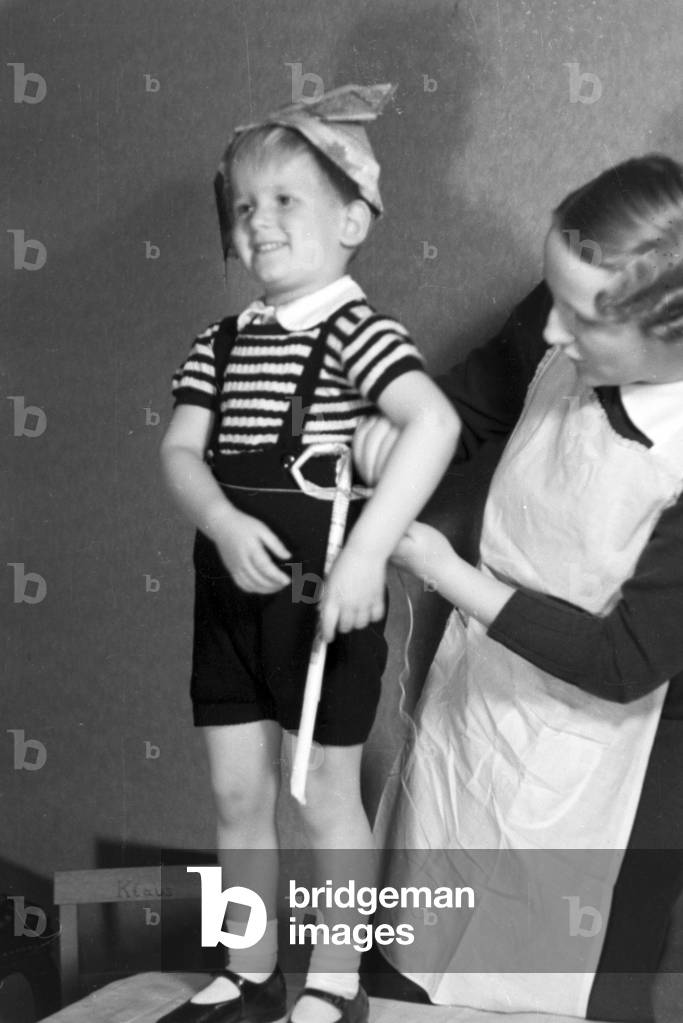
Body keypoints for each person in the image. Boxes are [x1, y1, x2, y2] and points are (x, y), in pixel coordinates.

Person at [354, 153, 683, 1022]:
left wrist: (451, 577)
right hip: (486, 692)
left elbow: (626, 662)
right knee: (417, 944)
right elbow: (479, 400)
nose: (550, 334)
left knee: (560, 981)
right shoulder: (559, 312)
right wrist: (398, 443)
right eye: (552, 298)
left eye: (580, 321)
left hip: (625, 756)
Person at [158, 83, 459, 1023]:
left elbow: (432, 421)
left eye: (286, 200)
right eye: (245, 205)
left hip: (322, 603)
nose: (259, 223)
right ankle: (248, 966)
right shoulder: (219, 341)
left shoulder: (355, 332)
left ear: (354, 219)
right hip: (228, 603)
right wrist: (218, 519)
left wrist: (368, 553)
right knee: (234, 789)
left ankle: (333, 973)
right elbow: (178, 448)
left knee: (325, 791)